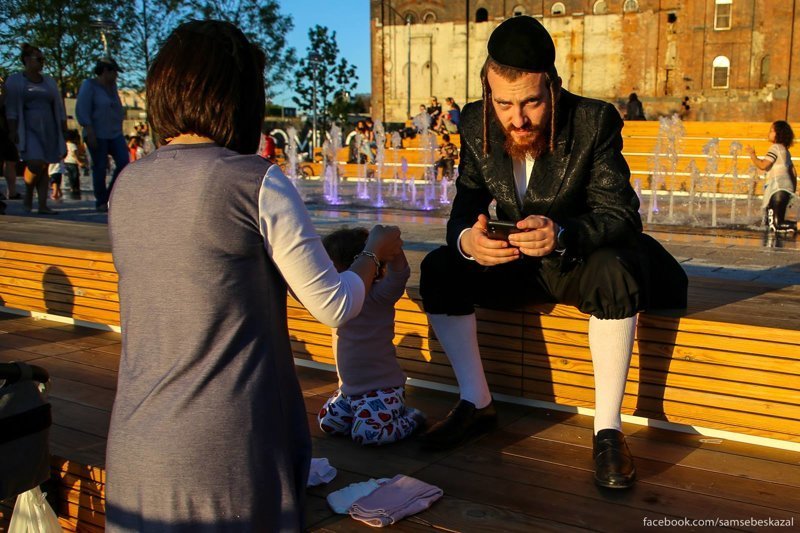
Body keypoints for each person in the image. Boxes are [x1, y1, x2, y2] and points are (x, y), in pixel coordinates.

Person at [104, 20, 403, 531]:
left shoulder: (127, 183)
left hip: (135, 448)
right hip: (224, 449)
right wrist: (374, 253)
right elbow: (333, 304)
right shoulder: (253, 180)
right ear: (241, 97)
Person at [418, 16, 687, 490]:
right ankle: (477, 403)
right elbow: (465, 203)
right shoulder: (476, 122)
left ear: (553, 89)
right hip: (514, 263)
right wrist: (469, 241)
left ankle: (608, 431)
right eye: (504, 103)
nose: (517, 119)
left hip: (577, 262)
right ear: (488, 91)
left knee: (615, 268)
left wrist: (562, 233)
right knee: (440, 267)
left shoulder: (594, 120)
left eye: (531, 103)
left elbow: (622, 215)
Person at [317, 227, 425, 445]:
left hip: (382, 391)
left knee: (367, 435)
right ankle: (363, 417)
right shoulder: (336, 301)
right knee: (327, 423)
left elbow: (399, 274)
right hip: (349, 392)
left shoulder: (379, 295)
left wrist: (390, 247)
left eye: (329, 265)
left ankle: (412, 418)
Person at [4, 43, 66, 215]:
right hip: (28, 127)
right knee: (35, 162)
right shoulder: (15, 80)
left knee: (45, 165)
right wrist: (12, 130)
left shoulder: (49, 81)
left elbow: (58, 105)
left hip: (49, 126)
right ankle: (29, 192)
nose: (41, 62)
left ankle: (42, 205)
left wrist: (63, 126)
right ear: (26, 60)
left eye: (43, 59)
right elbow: (11, 108)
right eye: (38, 59)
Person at [75, 57, 129, 212]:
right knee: (99, 166)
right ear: (105, 70)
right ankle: (101, 200)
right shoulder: (90, 85)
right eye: (114, 72)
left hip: (115, 133)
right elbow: (82, 109)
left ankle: (111, 196)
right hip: (97, 133)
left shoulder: (112, 87)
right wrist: (89, 130)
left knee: (124, 162)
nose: (116, 76)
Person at [746, 121, 797, 233]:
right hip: (784, 189)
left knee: (775, 225)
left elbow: (763, 165)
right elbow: (793, 172)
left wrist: (753, 156)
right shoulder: (785, 151)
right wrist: (791, 190)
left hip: (777, 188)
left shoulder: (775, 148)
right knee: (771, 223)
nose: (768, 133)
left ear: (779, 133)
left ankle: (797, 226)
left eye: (771, 131)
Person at [0, 78, 21, 201]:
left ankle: (12, 192)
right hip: (3, 132)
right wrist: (3, 93)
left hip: (6, 132)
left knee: (11, 161)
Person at [63, 129, 82, 199]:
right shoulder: (73, 145)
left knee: (70, 176)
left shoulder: (65, 144)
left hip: (66, 162)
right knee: (75, 176)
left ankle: (72, 187)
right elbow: (74, 155)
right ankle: (75, 188)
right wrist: (79, 162)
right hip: (73, 163)